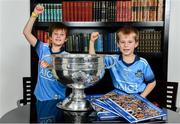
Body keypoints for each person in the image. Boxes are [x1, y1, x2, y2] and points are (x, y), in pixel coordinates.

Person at [89, 27, 156, 98]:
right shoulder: (113, 60)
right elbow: (94, 60)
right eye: (122, 42)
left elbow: (152, 83)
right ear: (118, 44)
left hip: (138, 96)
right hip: (118, 96)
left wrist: (141, 97)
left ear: (136, 44)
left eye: (130, 42)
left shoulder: (143, 63)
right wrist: (92, 42)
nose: (126, 45)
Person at [23, 4, 69, 101]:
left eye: (62, 34)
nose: (58, 36)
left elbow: (65, 76)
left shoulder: (67, 56)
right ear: (50, 37)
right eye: (55, 34)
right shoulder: (42, 48)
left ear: (66, 39)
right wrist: (34, 14)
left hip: (58, 99)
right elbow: (26, 32)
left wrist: (49, 66)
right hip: (40, 98)